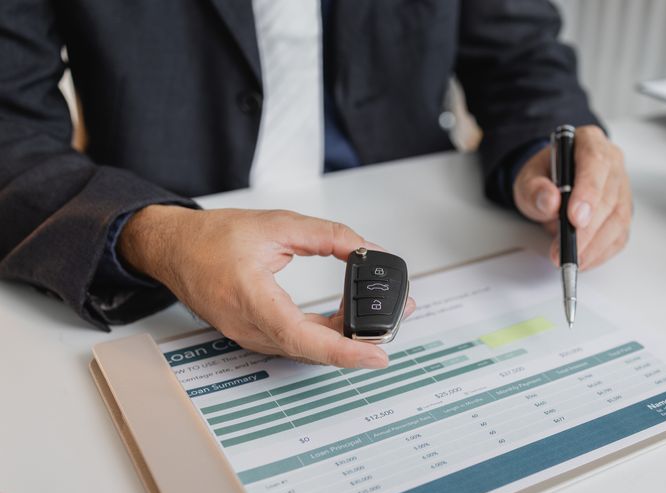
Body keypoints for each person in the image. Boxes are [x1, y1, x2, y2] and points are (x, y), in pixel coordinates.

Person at [0, 0, 631, 369]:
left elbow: (521, 56)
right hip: (153, 266)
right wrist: (152, 236)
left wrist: (543, 152)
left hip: (436, 226)